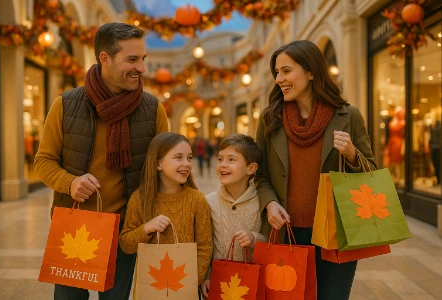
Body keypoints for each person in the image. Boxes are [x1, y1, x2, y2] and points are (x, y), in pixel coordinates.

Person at [34, 23, 169, 300]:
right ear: (104, 58)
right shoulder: (65, 105)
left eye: (143, 59)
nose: (141, 68)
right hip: (75, 230)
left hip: (126, 230)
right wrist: (69, 183)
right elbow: (44, 161)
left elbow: (164, 171)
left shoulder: (153, 109)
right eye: (131, 59)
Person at [255, 40, 376, 300]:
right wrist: (269, 203)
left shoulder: (349, 116)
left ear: (311, 72)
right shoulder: (270, 120)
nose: (279, 79)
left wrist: (352, 155)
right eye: (276, 72)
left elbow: (372, 172)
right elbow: (261, 174)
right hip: (285, 232)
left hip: (335, 232)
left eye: (286, 71)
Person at [119, 132, 213, 296]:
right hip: (151, 289)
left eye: (189, 158)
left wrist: (189, 281)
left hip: (185, 290)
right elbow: (126, 245)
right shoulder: (140, 199)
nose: (187, 164)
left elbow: (205, 247)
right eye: (178, 157)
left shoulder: (196, 200)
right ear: (158, 163)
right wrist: (146, 229)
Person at [200, 134, 266, 298]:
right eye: (220, 159)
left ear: (251, 168)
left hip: (252, 283)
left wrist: (254, 238)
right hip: (219, 281)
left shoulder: (262, 203)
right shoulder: (209, 202)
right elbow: (205, 244)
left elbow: (271, 241)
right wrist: (206, 276)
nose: (223, 165)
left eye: (231, 160)